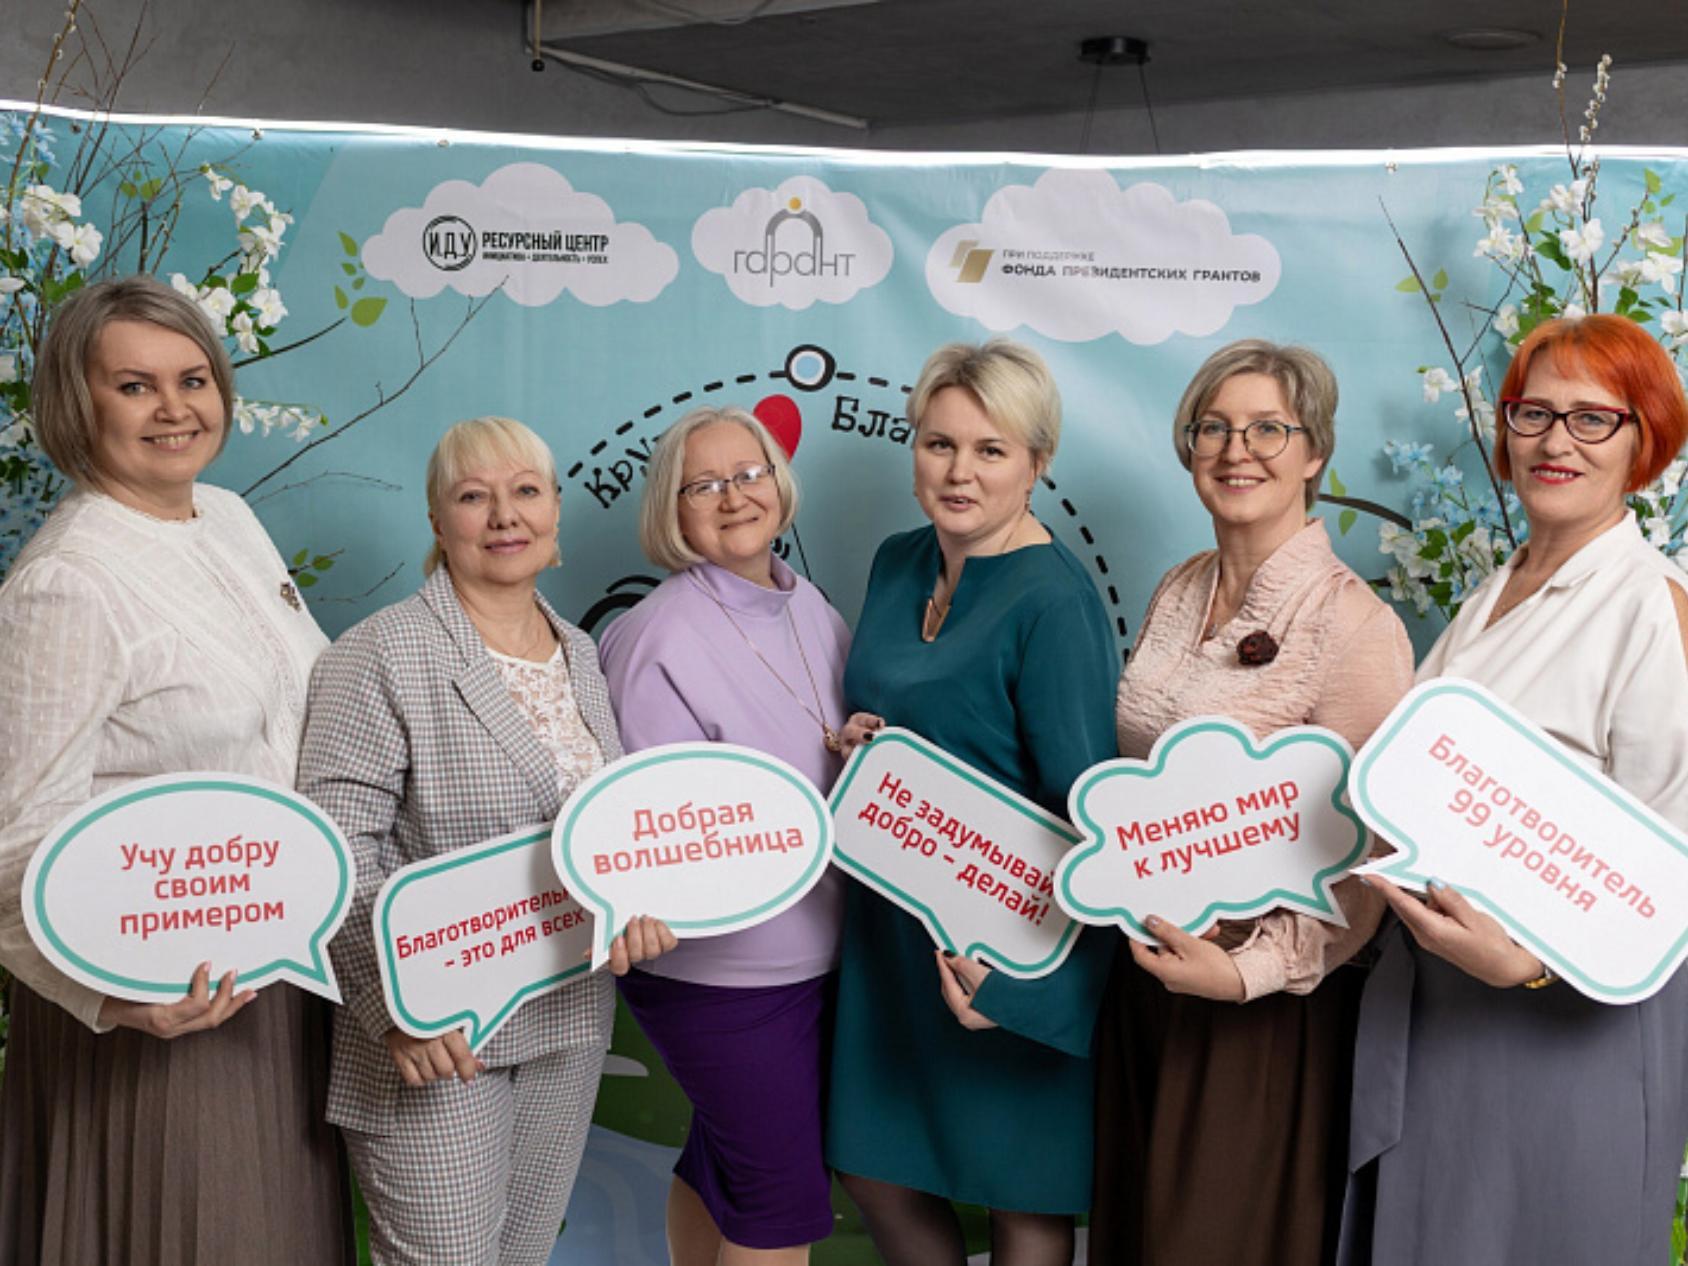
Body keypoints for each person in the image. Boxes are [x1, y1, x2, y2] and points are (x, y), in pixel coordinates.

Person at [0, 275, 352, 1264]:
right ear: (76, 404)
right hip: (158, 1005)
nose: (174, 408)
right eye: (134, 386)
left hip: (275, 965)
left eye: (191, 379)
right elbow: (11, 840)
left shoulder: (228, 517)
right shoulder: (66, 584)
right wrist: (115, 1000)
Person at [1339, 315, 1688, 1266]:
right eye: (1534, 413)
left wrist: (1529, 964)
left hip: (1566, 1025)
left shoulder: (1649, 605)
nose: (1555, 440)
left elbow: (1673, 865)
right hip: (1443, 999)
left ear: (1644, 438)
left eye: (1592, 417)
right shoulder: (1500, 586)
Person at [297, 415, 673, 1266]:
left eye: (525, 491)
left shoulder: (581, 653)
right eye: (474, 496)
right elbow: (335, 850)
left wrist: (639, 906)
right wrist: (396, 1006)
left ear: (555, 511)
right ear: (438, 519)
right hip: (440, 1033)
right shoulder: (380, 653)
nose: (505, 515)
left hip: (567, 1017)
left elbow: (604, 834)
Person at [1087, 340, 1414, 1266]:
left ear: (1315, 453)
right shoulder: (1180, 586)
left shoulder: (1354, 624)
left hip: (1260, 1009)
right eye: (1215, 428)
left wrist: (1246, 974)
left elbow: (1369, 854)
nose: (1238, 450)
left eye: (1269, 428)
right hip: (1145, 978)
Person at [827, 339, 1117, 1266]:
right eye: (939, 443)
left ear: (1038, 462)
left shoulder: (1055, 602)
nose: (960, 472)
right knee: (874, 1166)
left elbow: (1088, 810)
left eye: (991, 450)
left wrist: (1039, 986)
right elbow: (916, 713)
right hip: (889, 933)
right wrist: (864, 744)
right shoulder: (896, 561)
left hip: (1007, 938)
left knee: (1021, 1191)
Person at [598, 404, 850, 1266]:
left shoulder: (807, 603)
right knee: (779, 1204)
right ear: (672, 510)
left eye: (748, 474)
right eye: (703, 485)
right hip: (723, 976)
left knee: (725, 1166)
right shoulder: (654, 636)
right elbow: (653, 837)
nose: (734, 497)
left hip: (817, 950)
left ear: (779, 483)